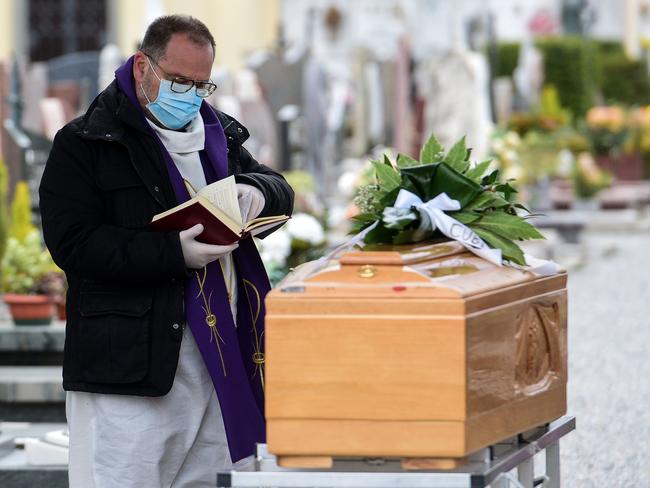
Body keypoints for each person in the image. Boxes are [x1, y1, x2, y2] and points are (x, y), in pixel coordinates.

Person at [39, 15, 293, 488]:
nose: (192, 96)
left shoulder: (217, 135)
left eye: (202, 85)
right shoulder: (85, 142)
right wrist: (170, 252)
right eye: (179, 81)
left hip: (217, 358)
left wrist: (257, 191)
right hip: (131, 367)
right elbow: (73, 243)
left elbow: (277, 188)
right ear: (142, 67)